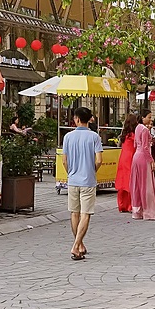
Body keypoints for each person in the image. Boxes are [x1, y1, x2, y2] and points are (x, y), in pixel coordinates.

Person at [63, 106, 102, 260]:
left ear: (77, 119)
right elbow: (99, 160)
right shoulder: (94, 137)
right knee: (86, 214)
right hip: (88, 180)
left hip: (73, 180)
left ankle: (79, 244)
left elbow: (64, 160)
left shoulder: (68, 137)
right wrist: (92, 170)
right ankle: (76, 245)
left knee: (74, 213)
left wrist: (70, 173)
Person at [129, 110, 155, 220]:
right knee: (146, 185)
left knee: (136, 184)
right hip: (143, 157)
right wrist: (152, 162)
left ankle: (137, 210)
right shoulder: (145, 130)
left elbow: (135, 144)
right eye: (149, 117)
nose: (150, 119)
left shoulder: (137, 128)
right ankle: (148, 211)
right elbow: (146, 148)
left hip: (136, 156)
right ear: (143, 117)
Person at [115, 113, 138, 213]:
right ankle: (130, 205)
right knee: (130, 182)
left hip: (123, 158)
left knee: (122, 182)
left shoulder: (124, 135)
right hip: (131, 158)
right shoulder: (134, 135)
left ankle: (121, 205)